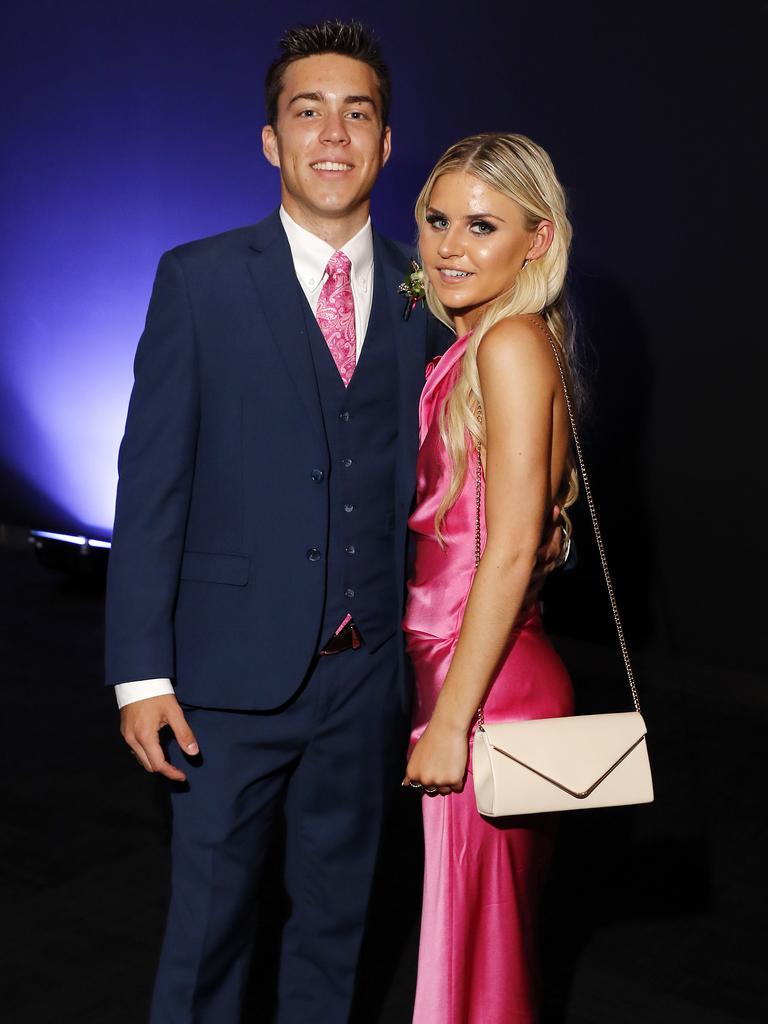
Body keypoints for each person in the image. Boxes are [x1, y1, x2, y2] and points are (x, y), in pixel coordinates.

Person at [105, 18, 563, 1021]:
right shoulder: (199, 279)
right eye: (306, 112)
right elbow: (150, 490)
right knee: (208, 934)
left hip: (368, 685)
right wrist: (142, 673)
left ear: (386, 142)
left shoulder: (430, 292)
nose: (332, 134)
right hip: (225, 683)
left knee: (338, 929)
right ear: (272, 139)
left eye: (358, 114)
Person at [402, 133, 578, 1023]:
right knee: (479, 958)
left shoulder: (508, 342)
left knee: (473, 974)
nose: (448, 248)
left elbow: (508, 552)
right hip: (475, 674)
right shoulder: (473, 349)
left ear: (536, 240)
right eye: (437, 221)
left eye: (481, 225)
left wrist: (449, 725)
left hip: (487, 692)